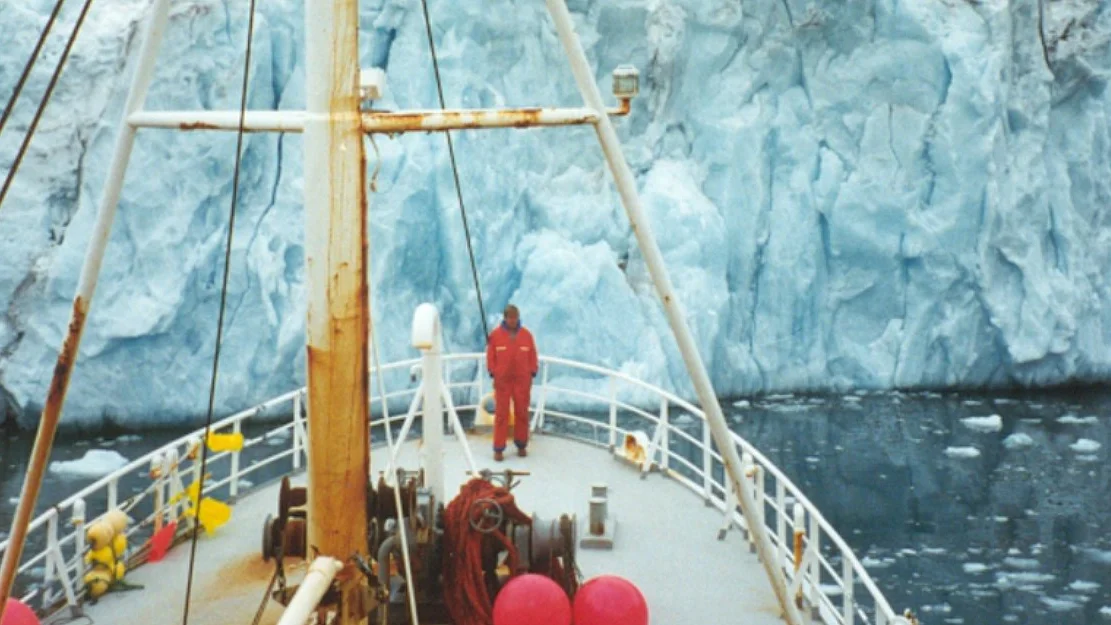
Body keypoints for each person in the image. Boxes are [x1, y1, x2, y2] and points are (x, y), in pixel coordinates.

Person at [485, 304, 538, 461]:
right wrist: (493, 370)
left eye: (515, 318)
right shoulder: (495, 336)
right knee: (501, 414)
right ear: (505, 318)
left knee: (522, 412)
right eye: (510, 318)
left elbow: (533, 354)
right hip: (503, 381)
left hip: (522, 380)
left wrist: (533, 370)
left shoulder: (527, 335)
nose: (513, 321)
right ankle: (499, 448)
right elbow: (490, 356)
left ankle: (521, 445)